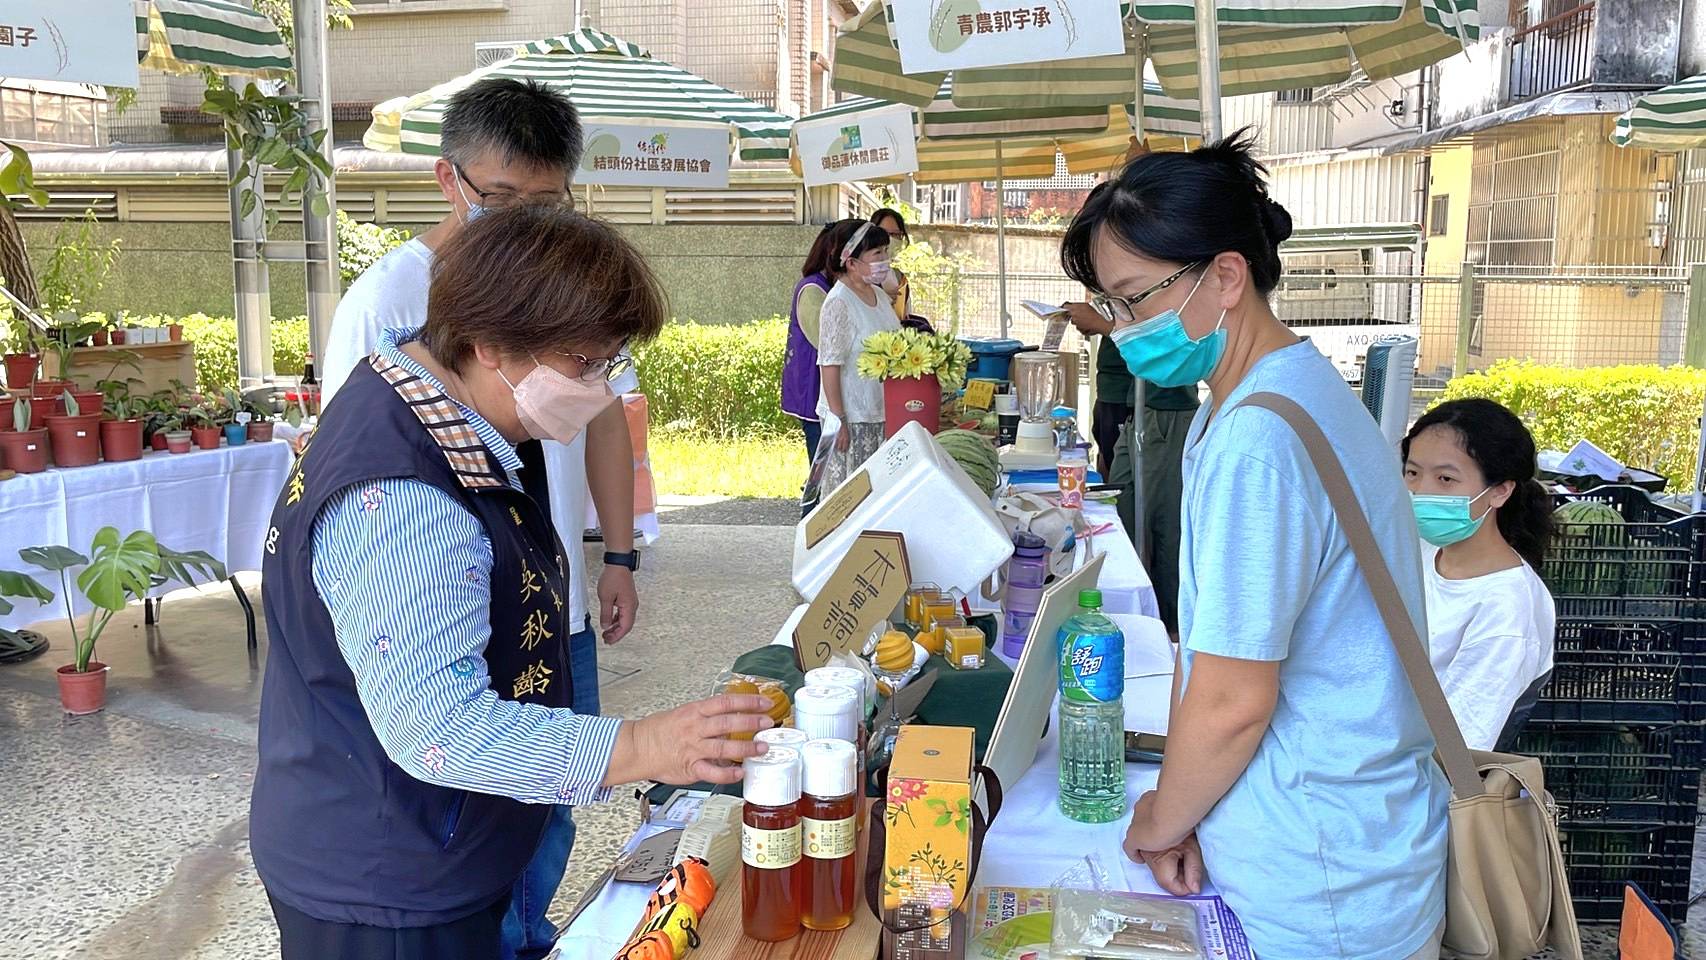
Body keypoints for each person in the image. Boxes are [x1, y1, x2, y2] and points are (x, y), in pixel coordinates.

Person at [251, 205, 776, 960]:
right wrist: (644, 745)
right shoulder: (407, 500)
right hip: (386, 885)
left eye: (611, 363)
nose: (601, 388)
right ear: (489, 343)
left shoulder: (415, 396)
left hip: (419, 837)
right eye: (584, 363)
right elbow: (438, 729)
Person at [1061, 132, 1449, 960]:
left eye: (1135, 300)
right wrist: (1194, 807)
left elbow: (1235, 700)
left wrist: (1160, 819)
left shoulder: (1254, 442)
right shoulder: (1281, 393)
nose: (1123, 329)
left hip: (1320, 882)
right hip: (1344, 843)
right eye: (1113, 307)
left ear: (1226, 277)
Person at [315, 78, 640, 960]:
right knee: (460, 817)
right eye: (503, 202)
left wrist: (619, 553)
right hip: (445, 631)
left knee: (537, 816)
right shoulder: (388, 321)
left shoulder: (565, 294)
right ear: (449, 180)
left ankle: (525, 935)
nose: (529, 224)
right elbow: (437, 726)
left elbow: (605, 420)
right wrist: (651, 746)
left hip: (541, 593)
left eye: (550, 204)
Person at [1403, 398, 1556, 752]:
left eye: (1445, 479)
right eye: (1412, 473)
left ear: (1500, 491)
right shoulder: (1421, 552)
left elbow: (1456, 746)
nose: (1422, 491)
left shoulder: (1507, 608)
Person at [1064, 298, 1199, 635]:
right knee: (1122, 512)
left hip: (1166, 408)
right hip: (1135, 406)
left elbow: (1170, 339)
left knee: (1163, 525)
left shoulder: (1176, 283)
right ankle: (1134, 615)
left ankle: (1171, 628)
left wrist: (1107, 326)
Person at [816, 220, 899, 495]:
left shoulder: (878, 294)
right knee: (849, 497)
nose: (884, 260)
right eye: (877, 254)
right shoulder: (839, 302)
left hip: (880, 412)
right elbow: (829, 364)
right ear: (851, 262)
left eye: (885, 251)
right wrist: (838, 420)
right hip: (851, 418)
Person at [782, 222, 840, 462]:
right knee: (821, 465)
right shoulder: (813, 289)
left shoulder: (829, 286)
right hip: (813, 388)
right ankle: (814, 501)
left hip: (823, 388)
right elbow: (824, 341)